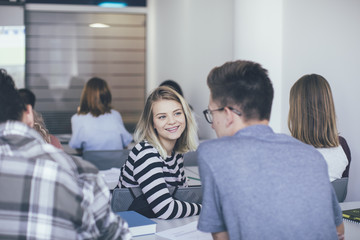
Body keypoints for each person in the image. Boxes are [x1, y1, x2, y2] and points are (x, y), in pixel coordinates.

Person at [197, 60, 344, 240]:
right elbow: (339, 230)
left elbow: (222, 237)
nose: (212, 124)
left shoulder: (213, 154)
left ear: (228, 115)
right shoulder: (311, 154)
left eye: (212, 113)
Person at [0, 69, 131, 240]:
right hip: (113, 179)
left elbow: (75, 144)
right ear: (29, 114)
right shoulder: (81, 174)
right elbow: (117, 235)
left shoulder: (79, 118)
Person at [119, 86, 201, 219]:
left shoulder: (175, 153)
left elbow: (182, 195)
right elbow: (165, 209)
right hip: (136, 229)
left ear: (186, 115)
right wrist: (204, 208)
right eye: (162, 117)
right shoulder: (146, 153)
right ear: (152, 123)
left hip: (161, 226)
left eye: (177, 113)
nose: (172, 121)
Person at [288, 74, 349, 181]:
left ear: (296, 112)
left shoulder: (286, 152)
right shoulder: (342, 146)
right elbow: (340, 193)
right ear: (328, 106)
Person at [69, 77, 133, 153]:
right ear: (107, 95)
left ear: (85, 96)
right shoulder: (115, 115)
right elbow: (125, 143)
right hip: (117, 163)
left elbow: (77, 146)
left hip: (91, 164)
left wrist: (80, 114)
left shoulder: (77, 118)